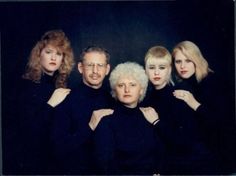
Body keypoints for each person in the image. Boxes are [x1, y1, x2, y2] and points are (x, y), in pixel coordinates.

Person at [3, 30, 75, 174]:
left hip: (56, 161)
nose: (54, 57)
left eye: (59, 54)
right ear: (39, 55)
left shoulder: (61, 86)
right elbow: (27, 131)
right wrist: (51, 104)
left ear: (63, 59)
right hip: (32, 161)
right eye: (49, 52)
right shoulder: (25, 86)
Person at [141, 45, 219, 174]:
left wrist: (156, 122)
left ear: (170, 69)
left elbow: (185, 141)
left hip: (186, 166)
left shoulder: (180, 95)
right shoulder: (145, 100)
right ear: (145, 70)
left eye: (162, 68)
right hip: (157, 167)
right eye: (151, 68)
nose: (156, 73)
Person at [172, 40, 236, 174]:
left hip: (221, 160)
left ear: (196, 60)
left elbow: (223, 123)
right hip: (199, 158)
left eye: (188, 60)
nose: (183, 66)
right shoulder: (186, 85)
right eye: (178, 62)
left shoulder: (214, 82)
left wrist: (194, 103)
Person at [51, 46, 114, 174]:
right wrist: (90, 126)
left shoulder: (113, 99)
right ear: (80, 68)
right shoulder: (66, 100)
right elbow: (58, 148)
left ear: (107, 69)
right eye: (90, 65)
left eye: (100, 65)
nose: (95, 71)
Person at [94, 62, 165, 175]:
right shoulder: (107, 121)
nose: (127, 89)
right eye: (121, 85)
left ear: (141, 90)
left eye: (132, 85)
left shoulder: (150, 116)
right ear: (115, 91)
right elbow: (106, 166)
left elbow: (159, 154)